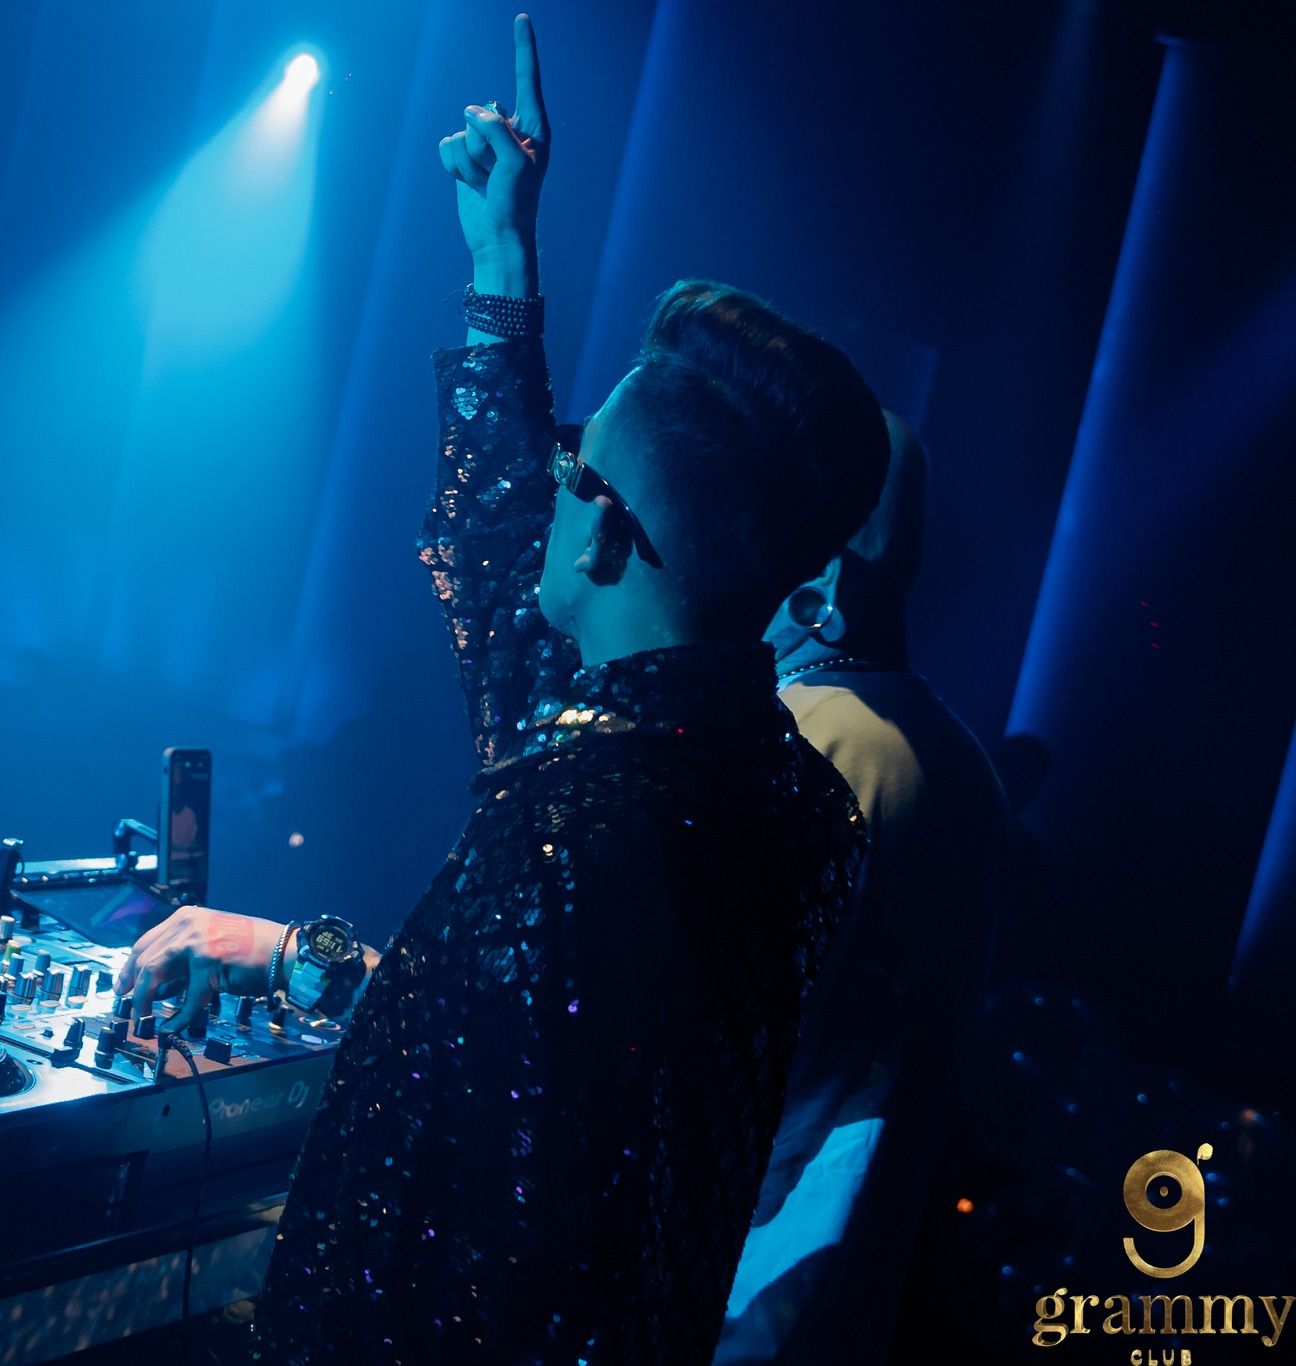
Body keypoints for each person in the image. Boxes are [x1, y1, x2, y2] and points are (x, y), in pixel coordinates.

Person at [115, 15, 892, 1361]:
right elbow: (503, 563)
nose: (548, 480)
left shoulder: (584, 826)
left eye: (574, 464)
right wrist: (500, 260)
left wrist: (294, 959)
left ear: (603, 536)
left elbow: (456, 1126)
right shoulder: (775, 788)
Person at [714, 415, 1010, 1362]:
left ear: (818, 588)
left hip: (732, 1291)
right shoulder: (955, 757)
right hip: (833, 1297)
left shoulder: (806, 740)